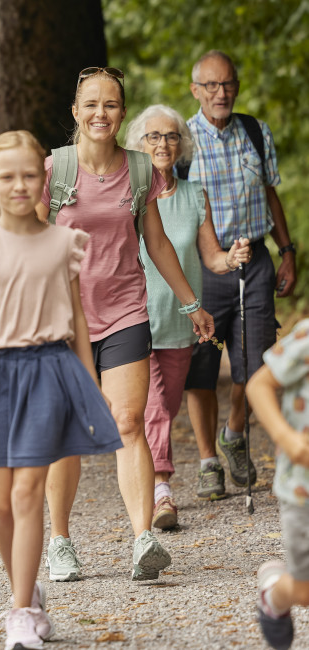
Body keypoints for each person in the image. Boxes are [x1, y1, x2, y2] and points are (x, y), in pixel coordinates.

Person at [0, 130, 122, 650]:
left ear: (42, 178)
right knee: (0, 504)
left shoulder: (66, 242)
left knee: (27, 493)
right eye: (7, 177)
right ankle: (26, 589)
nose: (19, 185)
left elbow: (81, 322)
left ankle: (20, 613)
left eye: (28, 175)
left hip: (48, 371)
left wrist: (90, 382)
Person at [37, 67, 215, 583]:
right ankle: (61, 542)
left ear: (122, 111)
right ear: (75, 111)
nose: (101, 114)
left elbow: (155, 242)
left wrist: (190, 303)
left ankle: (143, 540)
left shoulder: (140, 170)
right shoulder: (54, 170)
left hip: (124, 311)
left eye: (111, 104)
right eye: (91, 104)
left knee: (128, 422)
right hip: (65, 319)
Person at [124, 104, 251, 529]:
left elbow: (211, 257)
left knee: (169, 402)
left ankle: (149, 476)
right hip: (134, 318)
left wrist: (231, 258)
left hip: (181, 321)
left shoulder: (195, 195)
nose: (163, 143)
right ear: (139, 144)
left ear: (182, 144)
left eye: (172, 136)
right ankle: (161, 491)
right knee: (155, 406)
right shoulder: (129, 192)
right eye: (154, 136)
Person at [182, 50, 298, 502]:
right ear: (195, 91)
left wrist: (286, 252)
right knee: (202, 369)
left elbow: (271, 195)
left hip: (256, 262)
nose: (220, 93)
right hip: (206, 267)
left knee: (255, 367)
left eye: (227, 84)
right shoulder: (183, 141)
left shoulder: (255, 131)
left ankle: (234, 434)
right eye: (210, 85)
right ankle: (208, 459)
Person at [246, 319, 309, 650]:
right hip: (303, 490)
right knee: (305, 592)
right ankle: (274, 591)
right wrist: (289, 440)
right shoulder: (307, 336)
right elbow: (258, 385)